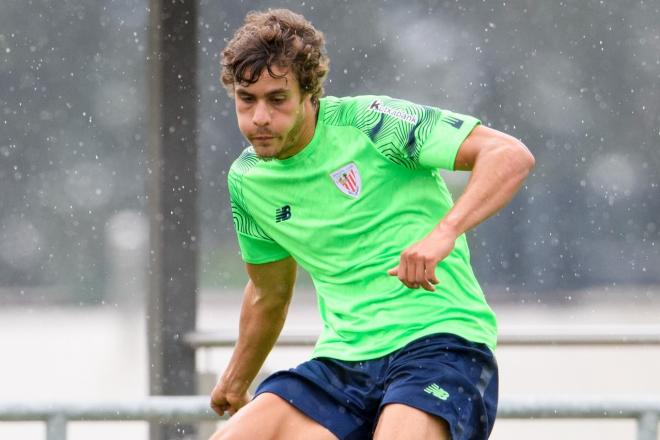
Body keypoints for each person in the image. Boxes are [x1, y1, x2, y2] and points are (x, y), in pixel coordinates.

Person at [209, 8, 534, 440]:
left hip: (440, 345)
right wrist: (236, 376)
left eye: (277, 99)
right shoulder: (247, 181)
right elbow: (268, 293)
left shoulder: (372, 122)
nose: (260, 117)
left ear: (310, 93)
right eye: (247, 100)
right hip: (343, 362)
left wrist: (444, 232)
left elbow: (509, 156)